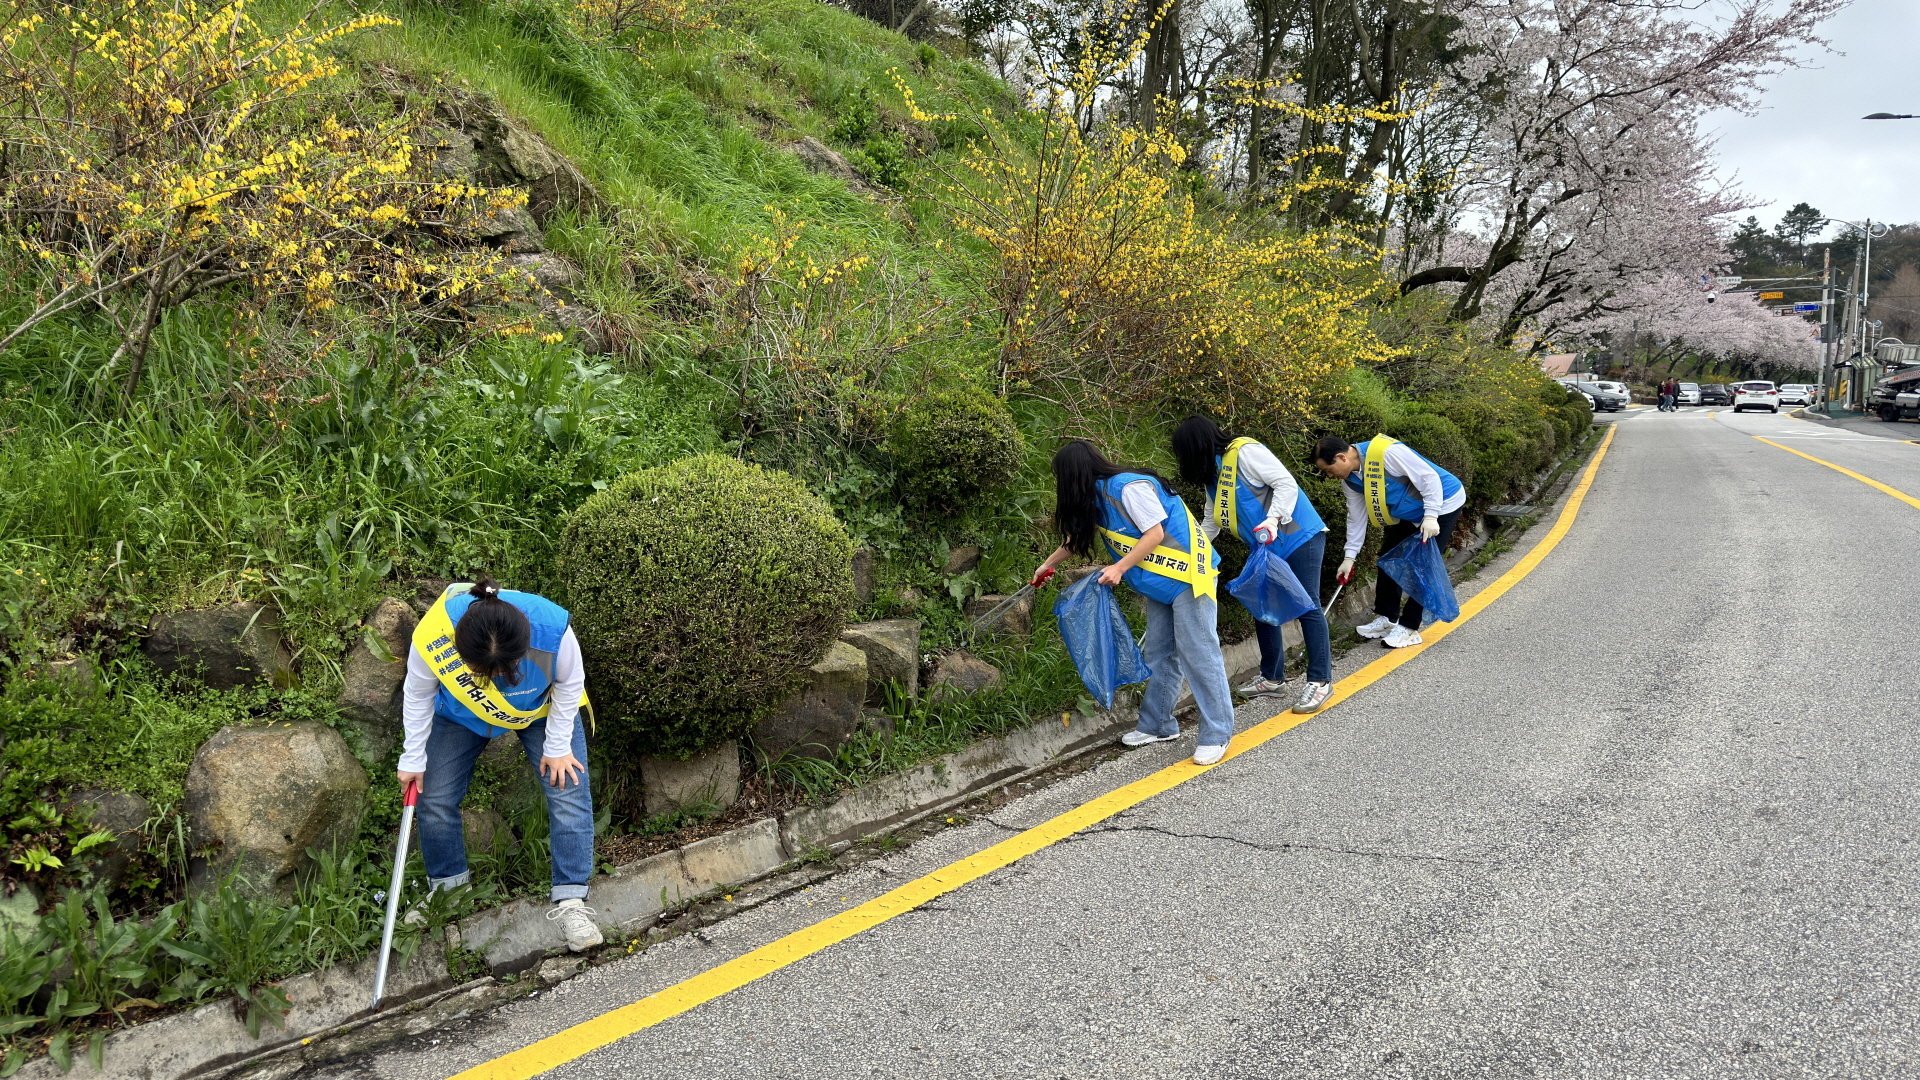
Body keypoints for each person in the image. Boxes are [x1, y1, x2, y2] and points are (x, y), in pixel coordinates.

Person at [399, 577, 603, 952]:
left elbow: (570, 682)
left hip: (543, 711)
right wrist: (413, 756)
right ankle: (448, 893)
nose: (493, 680)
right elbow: (418, 692)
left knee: (567, 790)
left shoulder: (551, 628)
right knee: (435, 795)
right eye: (482, 671)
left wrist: (557, 745)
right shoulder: (434, 634)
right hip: (460, 715)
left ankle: (572, 899)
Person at [1033, 440, 1237, 766]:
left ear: (1075, 475)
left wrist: (1119, 567)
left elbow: (1154, 533)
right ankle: (1158, 725)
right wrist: (1047, 565)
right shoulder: (1096, 497)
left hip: (1189, 577)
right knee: (1160, 654)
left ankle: (1218, 733)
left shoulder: (1127, 488)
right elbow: (1075, 540)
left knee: (1199, 652)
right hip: (1159, 584)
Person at [1171, 416, 1334, 715]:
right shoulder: (1213, 476)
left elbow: (1286, 483)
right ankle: (1273, 679)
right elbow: (1210, 523)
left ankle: (1320, 680)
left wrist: (1273, 519)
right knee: (1263, 607)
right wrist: (1191, 554)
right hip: (1265, 548)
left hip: (1299, 536)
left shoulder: (1244, 452)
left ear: (1197, 446)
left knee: (1307, 605)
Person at [1310, 434, 1465, 649]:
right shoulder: (1350, 482)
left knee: (1424, 565)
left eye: (1329, 470)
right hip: (1410, 512)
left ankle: (1409, 628)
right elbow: (1356, 519)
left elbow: (1428, 478)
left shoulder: (1387, 453)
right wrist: (1349, 557)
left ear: (1341, 458)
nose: (1330, 476)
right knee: (1388, 557)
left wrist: (1431, 516)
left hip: (1442, 502)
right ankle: (1388, 617)